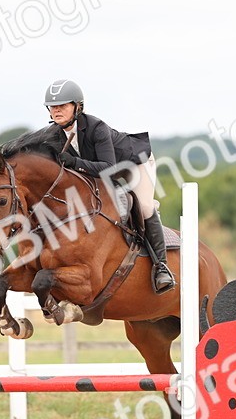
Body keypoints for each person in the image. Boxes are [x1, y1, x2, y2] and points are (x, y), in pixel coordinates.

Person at [42, 78, 175, 293]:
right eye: (53, 106)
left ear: (77, 107)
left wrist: (75, 162)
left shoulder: (96, 128)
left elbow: (108, 168)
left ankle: (161, 267)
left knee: (144, 206)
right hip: (100, 171)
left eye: (62, 105)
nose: (56, 110)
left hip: (134, 164)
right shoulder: (53, 135)